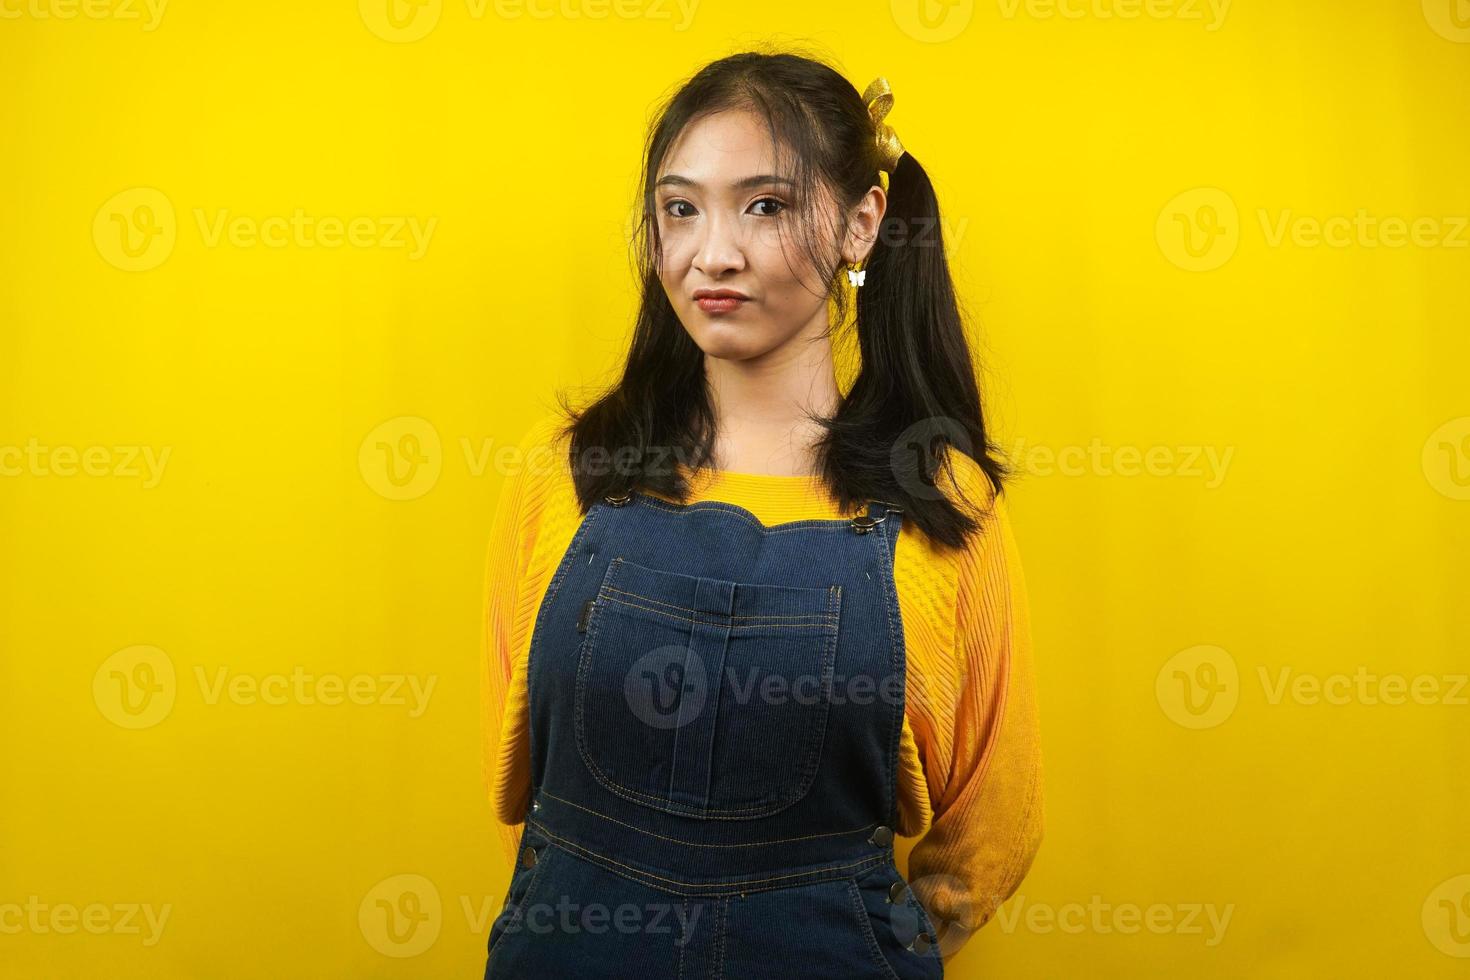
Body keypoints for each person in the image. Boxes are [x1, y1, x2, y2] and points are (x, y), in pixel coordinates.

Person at [480, 49, 1043, 978]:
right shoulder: (568, 473)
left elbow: (994, 830)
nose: (713, 253)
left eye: (766, 205)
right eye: (680, 207)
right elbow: (524, 792)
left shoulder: (941, 501)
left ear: (862, 224)